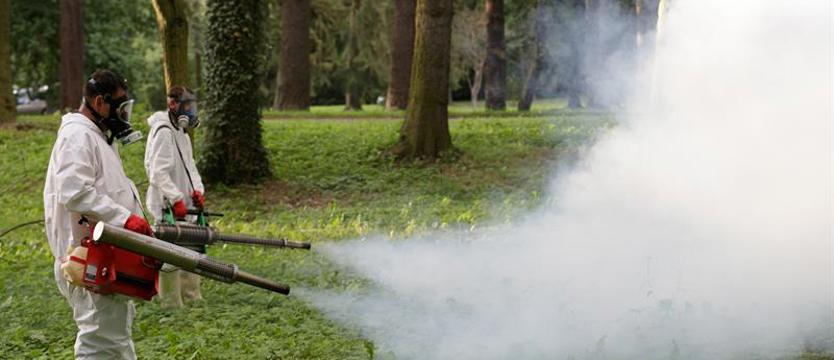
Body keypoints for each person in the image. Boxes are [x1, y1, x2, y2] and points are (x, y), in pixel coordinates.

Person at [44, 69, 151, 359]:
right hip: (88, 257)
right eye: (120, 106)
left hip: (106, 254)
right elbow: (74, 191)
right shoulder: (77, 136)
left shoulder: (97, 137)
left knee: (114, 339)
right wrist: (124, 218)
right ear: (100, 103)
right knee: (98, 342)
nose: (124, 115)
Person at [144, 85, 206, 308]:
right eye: (187, 106)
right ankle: (170, 304)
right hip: (167, 207)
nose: (190, 111)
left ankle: (192, 298)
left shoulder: (182, 133)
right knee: (170, 256)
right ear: (172, 104)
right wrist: (176, 198)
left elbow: (191, 168)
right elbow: (158, 172)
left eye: (192, 106)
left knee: (191, 251)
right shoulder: (163, 132)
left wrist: (197, 192)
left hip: (186, 205)